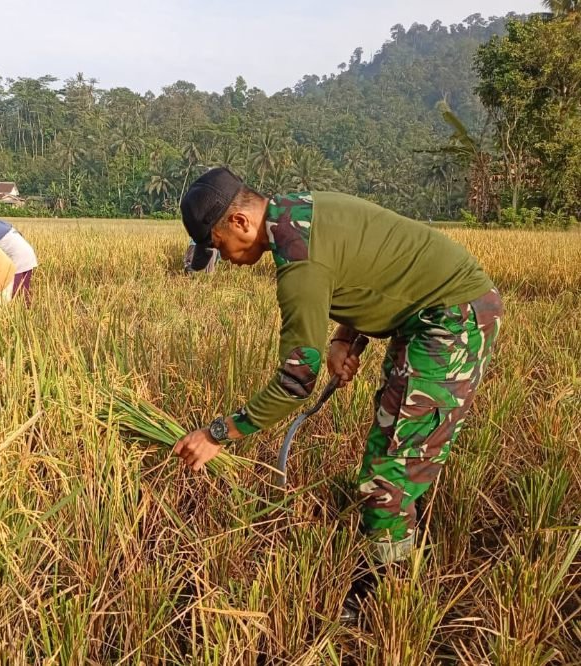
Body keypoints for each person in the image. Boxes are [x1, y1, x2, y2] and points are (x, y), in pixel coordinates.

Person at [172, 167, 502, 612]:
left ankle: (386, 595)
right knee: (398, 441)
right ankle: (403, 542)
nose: (224, 258)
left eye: (217, 245)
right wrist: (344, 338)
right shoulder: (297, 210)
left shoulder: (298, 261)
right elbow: (367, 267)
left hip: (451, 317)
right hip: (431, 311)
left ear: (240, 223)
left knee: (390, 470)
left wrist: (216, 435)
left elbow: (295, 382)